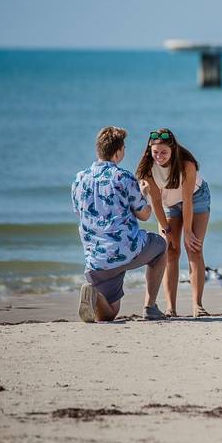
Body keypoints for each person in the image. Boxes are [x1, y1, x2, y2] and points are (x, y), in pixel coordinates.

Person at [71, 126, 167, 322]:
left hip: (96, 260)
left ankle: (94, 295)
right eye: (124, 148)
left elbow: (79, 212)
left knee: (110, 313)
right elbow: (145, 215)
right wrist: (146, 194)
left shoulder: (79, 179)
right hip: (125, 251)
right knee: (161, 246)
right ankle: (150, 307)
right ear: (117, 152)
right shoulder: (123, 177)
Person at [135, 128, 211, 318]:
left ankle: (198, 306)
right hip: (168, 203)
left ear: (173, 150)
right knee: (170, 251)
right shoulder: (147, 170)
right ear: (149, 150)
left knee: (194, 247)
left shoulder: (187, 165)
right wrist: (167, 230)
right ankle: (171, 308)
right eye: (155, 152)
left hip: (196, 199)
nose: (159, 156)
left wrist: (188, 231)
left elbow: (187, 201)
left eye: (164, 152)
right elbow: (156, 203)